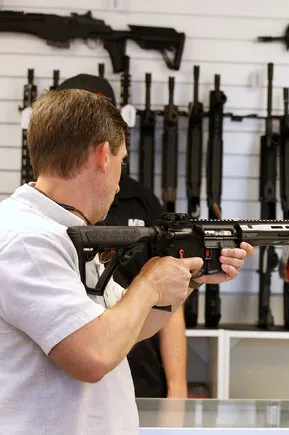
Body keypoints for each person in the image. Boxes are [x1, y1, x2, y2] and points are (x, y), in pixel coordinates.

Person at [0, 86, 253, 434]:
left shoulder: (64, 230)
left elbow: (131, 329)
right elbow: (93, 356)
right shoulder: (28, 240)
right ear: (104, 155)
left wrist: (192, 276)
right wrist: (149, 283)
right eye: (122, 159)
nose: (120, 183)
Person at [56, 73, 188, 399]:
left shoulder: (143, 202)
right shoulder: (36, 231)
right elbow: (92, 356)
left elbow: (154, 309)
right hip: (75, 390)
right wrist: (152, 283)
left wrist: (178, 389)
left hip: (136, 382)